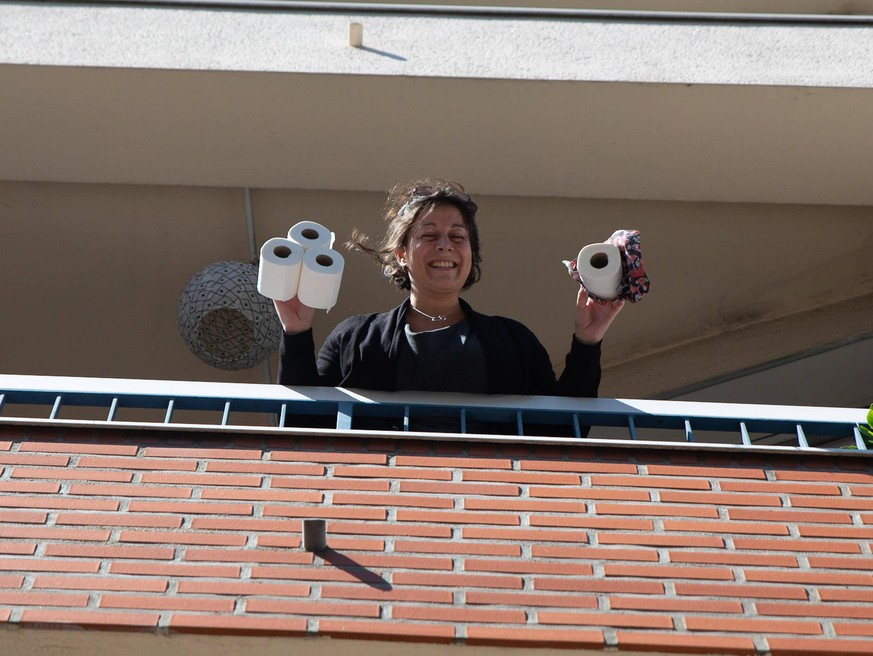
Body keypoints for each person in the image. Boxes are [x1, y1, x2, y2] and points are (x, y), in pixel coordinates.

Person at [275, 179, 624, 397]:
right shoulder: (355, 337)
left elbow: (565, 430)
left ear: (470, 255)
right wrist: (296, 331)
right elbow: (301, 423)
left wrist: (587, 342)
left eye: (458, 236)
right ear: (401, 255)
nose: (445, 245)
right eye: (428, 235)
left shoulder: (513, 340)